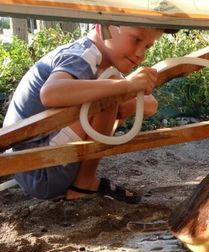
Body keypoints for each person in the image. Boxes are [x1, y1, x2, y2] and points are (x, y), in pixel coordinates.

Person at [2, 24, 164, 203]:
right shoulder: (82, 56)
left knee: (111, 92)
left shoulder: (101, 66)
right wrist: (126, 87)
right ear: (104, 27)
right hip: (39, 169)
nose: (141, 54)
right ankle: (84, 184)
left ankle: (83, 181)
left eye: (148, 46)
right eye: (136, 39)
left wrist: (128, 95)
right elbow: (51, 93)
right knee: (109, 95)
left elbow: (151, 105)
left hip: (32, 167)